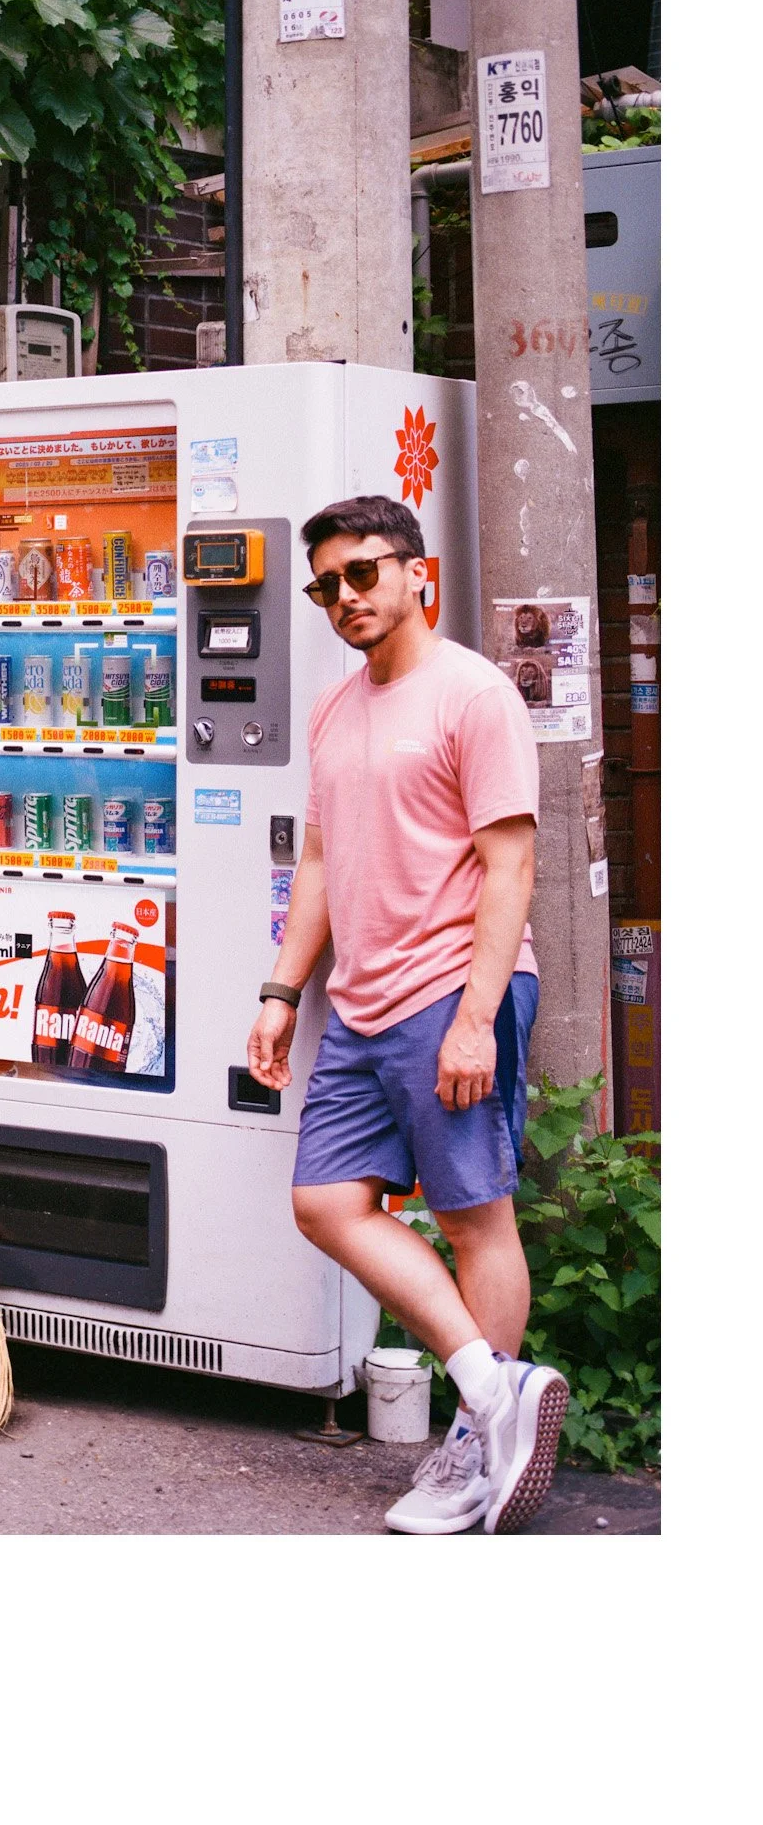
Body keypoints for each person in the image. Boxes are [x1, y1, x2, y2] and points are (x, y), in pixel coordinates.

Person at [247, 493, 568, 1536]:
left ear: (413, 572)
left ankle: (477, 1453)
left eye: (361, 573)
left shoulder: (471, 695)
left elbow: (509, 862)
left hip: (450, 986)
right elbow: (323, 861)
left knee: (475, 1214)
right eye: (324, 583)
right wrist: (281, 989)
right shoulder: (334, 711)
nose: (343, 596)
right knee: (325, 1200)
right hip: (361, 997)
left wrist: (476, 1016)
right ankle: (492, 1391)